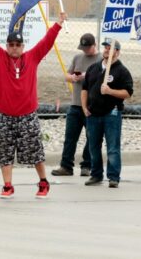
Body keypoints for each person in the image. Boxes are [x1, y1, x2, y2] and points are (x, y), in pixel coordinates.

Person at [0, 6, 67, 199]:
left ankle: (43, 182)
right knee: (4, 151)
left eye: (18, 44)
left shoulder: (32, 57)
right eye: (11, 44)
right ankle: (7, 185)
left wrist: (58, 24)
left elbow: (47, 42)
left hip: (27, 114)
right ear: (7, 45)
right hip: (3, 114)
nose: (14, 48)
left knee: (35, 150)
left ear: (23, 46)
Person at [82, 39, 133, 188]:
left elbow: (127, 93)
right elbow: (85, 89)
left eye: (110, 48)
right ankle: (96, 175)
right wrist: (84, 107)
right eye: (105, 47)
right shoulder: (93, 68)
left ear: (117, 52)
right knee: (93, 146)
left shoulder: (122, 71)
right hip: (93, 113)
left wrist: (110, 91)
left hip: (112, 113)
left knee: (112, 147)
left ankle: (113, 177)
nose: (106, 50)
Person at [51, 33, 101, 177]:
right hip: (75, 104)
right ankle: (66, 166)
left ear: (94, 45)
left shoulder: (99, 60)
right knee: (70, 137)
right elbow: (66, 75)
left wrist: (86, 75)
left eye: (87, 47)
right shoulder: (77, 58)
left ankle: (87, 165)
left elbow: (101, 77)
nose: (85, 50)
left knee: (92, 137)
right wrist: (72, 77)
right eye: (83, 47)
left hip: (91, 105)